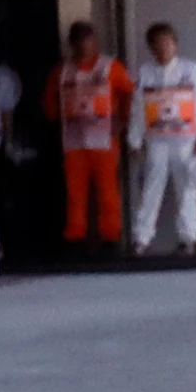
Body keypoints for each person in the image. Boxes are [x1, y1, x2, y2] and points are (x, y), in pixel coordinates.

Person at [129, 20, 196, 254]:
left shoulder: (192, 70)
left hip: (186, 138)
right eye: (158, 44)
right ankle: (141, 237)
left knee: (187, 185)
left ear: (175, 45)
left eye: (167, 42)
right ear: (151, 47)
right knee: (151, 187)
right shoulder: (146, 73)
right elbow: (138, 108)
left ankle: (188, 237)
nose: (163, 48)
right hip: (157, 139)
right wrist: (135, 140)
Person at [49, 20, 132, 251]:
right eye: (78, 40)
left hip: (104, 141)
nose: (83, 45)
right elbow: (49, 102)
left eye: (87, 39)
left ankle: (111, 239)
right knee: (75, 194)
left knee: (108, 192)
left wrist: (122, 122)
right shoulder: (62, 71)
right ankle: (75, 239)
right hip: (73, 142)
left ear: (94, 41)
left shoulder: (110, 67)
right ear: (71, 43)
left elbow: (129, 94)